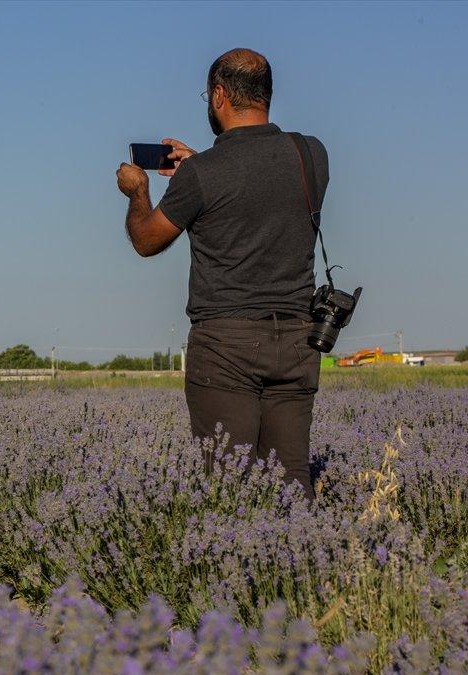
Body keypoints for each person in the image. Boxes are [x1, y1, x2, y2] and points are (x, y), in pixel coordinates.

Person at [115, 48, 328, 498]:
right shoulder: (311, 155)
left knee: (231, 487)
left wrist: (138, 191)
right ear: (267, 94)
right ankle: (308, 544)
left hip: (226, 344)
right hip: (297, 340)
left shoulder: (201, 175)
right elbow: (256, 186)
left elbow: (147, 240)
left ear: (218, 96)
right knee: (292, 481)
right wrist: (200, 168)